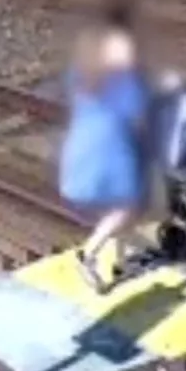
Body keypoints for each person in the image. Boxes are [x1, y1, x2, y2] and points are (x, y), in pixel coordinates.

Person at [59, 18, 152, 293]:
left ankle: (121, 262)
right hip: (105, 159)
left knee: (121, 207)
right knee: (127, 206)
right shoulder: (124, 85)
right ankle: (89, 255)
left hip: (79, 156)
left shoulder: (81, 74)